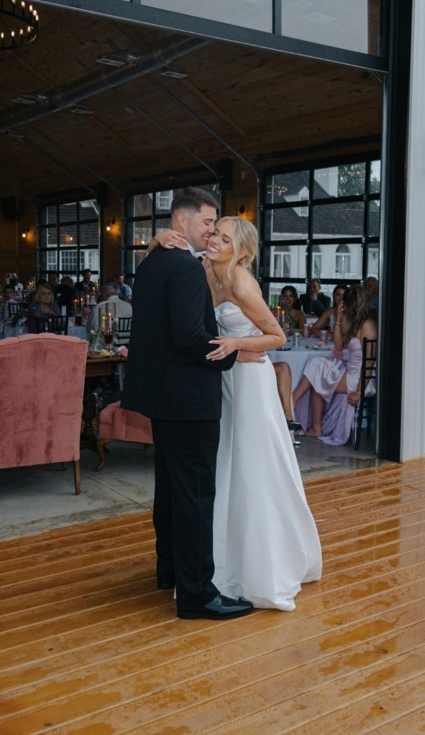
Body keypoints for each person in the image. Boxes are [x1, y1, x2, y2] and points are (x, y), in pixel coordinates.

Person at [121, 187, 254, 621]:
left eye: (215, 225)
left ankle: (170, 570)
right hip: (189, 397)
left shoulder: (153, 261)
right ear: (183, 221)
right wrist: (234, 352)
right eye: (207, 223)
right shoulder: (183, 268)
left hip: (164, 396)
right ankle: (197, 595)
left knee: (172, 489)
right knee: (196, 494)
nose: (211, 230)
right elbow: (191, 338)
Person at [201, 216, 322, 610]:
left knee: (253, 466)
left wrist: (237, 342)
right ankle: (224, 560)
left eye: (224, 238)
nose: (215, 241)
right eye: (214, 234)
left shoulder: (241, 282)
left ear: (243, 252)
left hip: (251, 383)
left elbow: (278, 337)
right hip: (225, 381)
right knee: (227, 466)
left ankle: (263, 565)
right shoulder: (205, 268)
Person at [292, 284, 378, 442]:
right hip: (349, 370)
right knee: (316, 366)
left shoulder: (368, 325)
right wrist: (338, 320)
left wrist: (359, 391)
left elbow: (369, 362)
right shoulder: (354, 321)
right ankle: (313, 425)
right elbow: (339, 346)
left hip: (359, 378)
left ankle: (292, 403)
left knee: (317, 371)